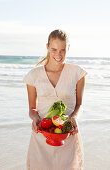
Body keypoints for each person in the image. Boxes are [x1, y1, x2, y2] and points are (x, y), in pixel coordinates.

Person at [23, 29, 87, 170]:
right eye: (54, 49)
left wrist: (74, 117)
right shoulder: (33, 75)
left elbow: (80, 105)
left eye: (62, 50)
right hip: (41, 136)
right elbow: (32, 109)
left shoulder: (77, 73)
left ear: (68, 48)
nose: (58, 55)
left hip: (68, 134)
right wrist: (35, 118)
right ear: (47, 47)